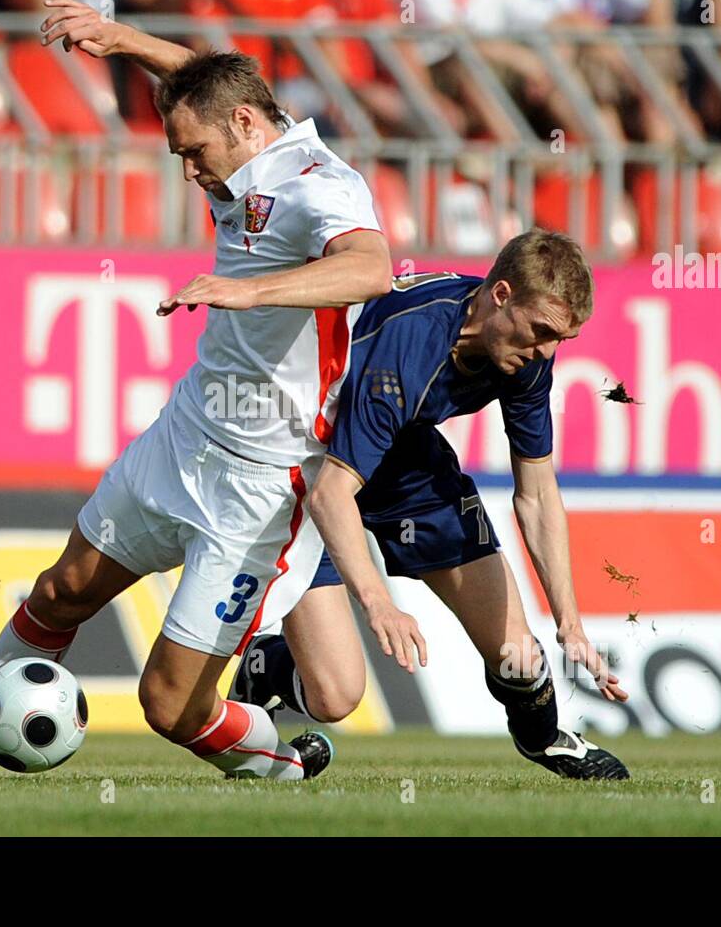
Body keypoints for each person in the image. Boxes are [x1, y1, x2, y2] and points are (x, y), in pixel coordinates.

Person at [0, 0, 393, 781]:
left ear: (245, 125)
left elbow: (371, 267)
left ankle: (282, 762)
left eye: (194, 152)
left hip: (263, 483)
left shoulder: (320, 185)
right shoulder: (241, 132)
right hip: (185, 438)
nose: (189, 170)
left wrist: (250, 291)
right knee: (62, 589)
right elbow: (205, 78)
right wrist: (120, 40)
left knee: (171, 708)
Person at [231, 230, 631, 779]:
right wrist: (379, 602)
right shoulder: (408, 349)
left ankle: (545, 741)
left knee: (521, 659)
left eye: (560, 340)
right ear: (501, 295)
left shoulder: (528, 357)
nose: (545, 352)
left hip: (403, 458)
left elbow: (537, 494)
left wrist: (570, 622)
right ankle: (262, 669)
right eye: (540, 332)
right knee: (336, 696)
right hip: (312, 454)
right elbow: (331, 493)